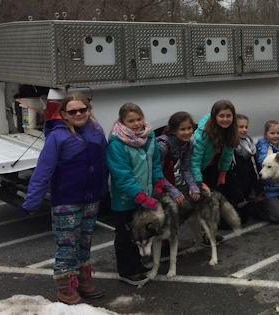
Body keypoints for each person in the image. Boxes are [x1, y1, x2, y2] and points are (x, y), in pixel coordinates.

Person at [21, 92, 107, 304]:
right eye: (73, 111)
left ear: (89, 110)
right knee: (67, 244)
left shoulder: (97, 131)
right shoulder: (57, 137)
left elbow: (107, 162)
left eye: (82, 109)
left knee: (85, 241)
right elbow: (43, 171)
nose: (78, 113)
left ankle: (83, 280)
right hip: (67, 200)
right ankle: (65, 287)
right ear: (64, 115)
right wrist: (32, 201)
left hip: (92, 198)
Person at [106, 102, 179, 286]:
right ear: (122, 122)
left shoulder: (149, 136)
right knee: (125, 235)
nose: (136, 123)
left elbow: (155, 163)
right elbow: (122, 176)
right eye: (131, 121)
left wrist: (159, 180)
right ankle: (126, 270)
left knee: (139, 233)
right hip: (126, 199)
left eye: (139, 119)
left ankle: (136, 265)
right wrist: (141, 197)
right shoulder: (117, 143)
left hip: (145, 196)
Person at [220, 114, 264, 225]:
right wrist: (238, 197)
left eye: (246, 127)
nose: (244, 130)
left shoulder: (249, 145)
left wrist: (258, 191)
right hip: (233, 191)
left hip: (246, 189)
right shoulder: (229, 147)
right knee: (239, 220)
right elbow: (229, 175)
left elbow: (255, 170)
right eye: (240, 127)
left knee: (245, 217)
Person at [191, 100, 239, 194]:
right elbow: (194, 161)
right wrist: (198, 182)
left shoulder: (231, 131)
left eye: (228, 116)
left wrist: (223, 173)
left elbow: (228, 154)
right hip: (199, 169)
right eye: (221, 116)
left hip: (214, 166)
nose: (225, 119)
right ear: (214, 117)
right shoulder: (203, 135)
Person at [156, 111, 200, 202]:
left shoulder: (187, 144)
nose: (187, 132)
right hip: (155, 179)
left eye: (189, 128)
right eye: (182, 129)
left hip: (170, 176)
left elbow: (185, 169)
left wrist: (193, 186)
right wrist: (173, 191)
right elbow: (156, 173)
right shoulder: (162, 146)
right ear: (173, 130)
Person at [256, 120, 279, 223]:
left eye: (278, 133)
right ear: (266, 134)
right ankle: (257, 209)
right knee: (278, 217)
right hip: (268, 189)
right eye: (272, 133)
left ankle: (275, 204)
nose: (275, 136)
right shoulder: (263, 146)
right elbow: (262, 160)